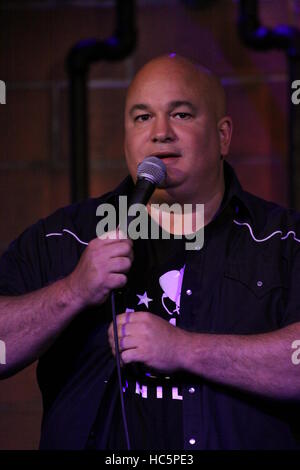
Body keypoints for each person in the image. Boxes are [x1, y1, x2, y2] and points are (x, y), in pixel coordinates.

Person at [0, 54, 300, 450]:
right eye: (142, 117)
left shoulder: (282, 241)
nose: (160, 133)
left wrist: (185, 349)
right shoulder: (66, 236)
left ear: (223, 135)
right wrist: (72, 291)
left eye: (181, 115)